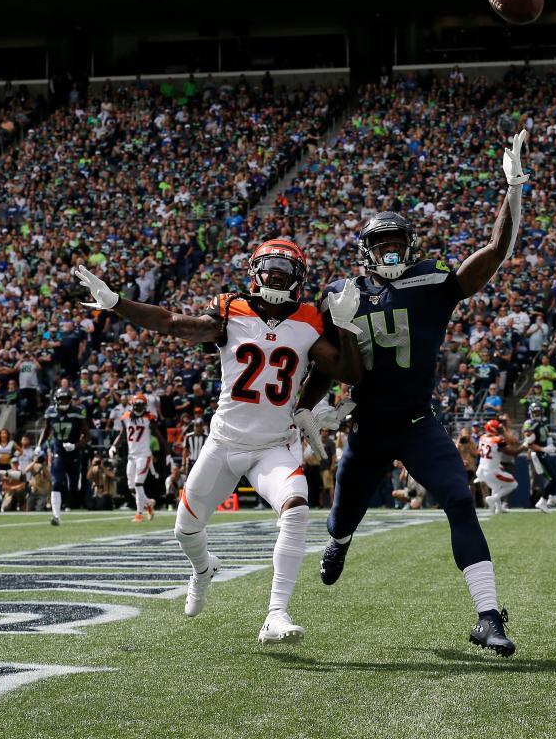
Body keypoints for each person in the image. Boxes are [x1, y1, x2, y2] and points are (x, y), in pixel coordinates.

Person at [296, 130, 530, 657]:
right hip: (367, 426)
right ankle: (339, 541)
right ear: (365, 252)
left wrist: (513, 187)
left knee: (457, 499)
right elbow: (326, 360)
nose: (392, 254)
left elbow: (495, 252)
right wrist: (308, 408)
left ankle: (489, 615)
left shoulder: (430, 281)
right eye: (382, 247)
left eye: (398, 244)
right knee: (342, 518)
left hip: (417, 422)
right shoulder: (341, 293)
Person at [73, 235, 363, 645]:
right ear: (255, 273)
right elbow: (172, 323)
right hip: (225, 442)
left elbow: (349, 373)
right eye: (271, 269)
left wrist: (348, 329)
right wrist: (117, 302)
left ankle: (276, 614)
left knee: (297, 510)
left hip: (274, 445)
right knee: (185, 529)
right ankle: (203, 569)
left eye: (285, 270)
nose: (277, 276)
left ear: (297, 278)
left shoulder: (310, 319)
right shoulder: (232, 309)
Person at [108, 393, 166, 523]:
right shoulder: (127, 417)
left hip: (144, 455)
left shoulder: (149, 418)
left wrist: (167, 453)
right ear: (132, 405)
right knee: (131, 487)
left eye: (141, 405)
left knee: (139, 483)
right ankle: (149, 503)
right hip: (132, 456)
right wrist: (113, 446)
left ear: (145, 406)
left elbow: (159, 436)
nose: (139, 408)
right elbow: (123, 434)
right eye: (137, 405)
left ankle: (139, 514)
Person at [38, 387, 89, 526]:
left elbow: (87, 434)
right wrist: (39, 445)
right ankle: (56, 516)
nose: (65, 402)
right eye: (62, 400)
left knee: (73, 487)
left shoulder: (77, 413)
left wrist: (76, 445)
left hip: (74, 454)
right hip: (58, 452)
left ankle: (71, 495)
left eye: (67, 399)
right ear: (56, 400)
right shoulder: (50, 412)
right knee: (56, 482)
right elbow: (47, 429)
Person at [477, 419, 523, 514]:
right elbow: (514, 453)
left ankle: (498, 508)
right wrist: (525, 445)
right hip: (492, 471)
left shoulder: (482, 437)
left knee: (496, 486)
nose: (499, 429)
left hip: (482, 470)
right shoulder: (497, 440)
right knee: (513, 484)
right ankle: (493, 498)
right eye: (498, 428)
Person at [524, 401, 556, 512]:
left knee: (555, 476)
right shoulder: (529, 423)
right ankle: (543, 501)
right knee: (551, 477)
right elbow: (528, 439)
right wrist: (544, 449)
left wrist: (551, 435)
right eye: (535, 412)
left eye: (538, 412)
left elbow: (542, 434)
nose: (537, 414)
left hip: (544, 453)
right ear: (531, 413)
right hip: (537, 454)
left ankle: (551, 498)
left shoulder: (542, 423)